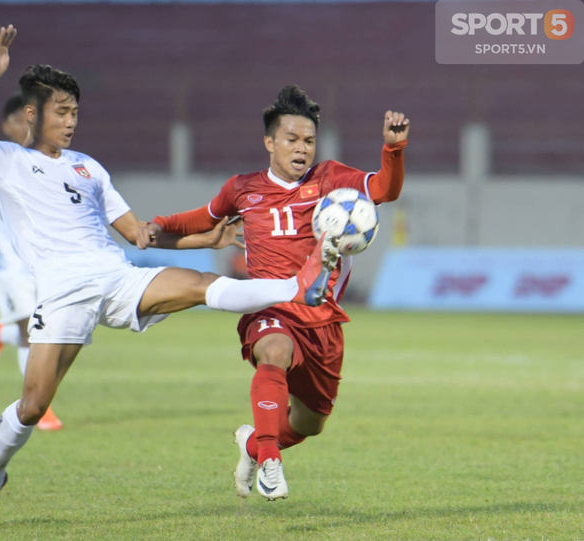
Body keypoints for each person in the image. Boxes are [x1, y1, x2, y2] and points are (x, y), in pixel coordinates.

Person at [0, 26, 341, 527]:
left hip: (116, 278)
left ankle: (298, 288)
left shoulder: (89, 169)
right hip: (62, 293)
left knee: (200, 287)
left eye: (75, 112)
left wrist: (208, 240)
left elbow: (138, 234)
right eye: (61, 112)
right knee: (32, 406)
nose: (71, 122)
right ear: (33, 114)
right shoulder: (7, 161)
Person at [139, 85, 409, 501]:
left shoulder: (329, 178)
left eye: (309, 141)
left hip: (321, 319)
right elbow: (203, 218)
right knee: (274, 352)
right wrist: (159, 224)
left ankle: (253, 445)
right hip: (269, 306)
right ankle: (269, 462)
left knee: (310, 423)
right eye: (292, 140)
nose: (302, 149)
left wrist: (394, 149)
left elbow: (385, 191)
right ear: (270, 142)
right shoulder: (243, 189)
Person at [0, 92, 63, 431]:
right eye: (19, 120)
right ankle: (38, 406)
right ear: (6, 125)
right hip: (9, 260)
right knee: (31, 333)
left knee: (48, 328)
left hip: (41, 261)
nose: (26, 125)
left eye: (31, 119)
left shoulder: (47, 163)